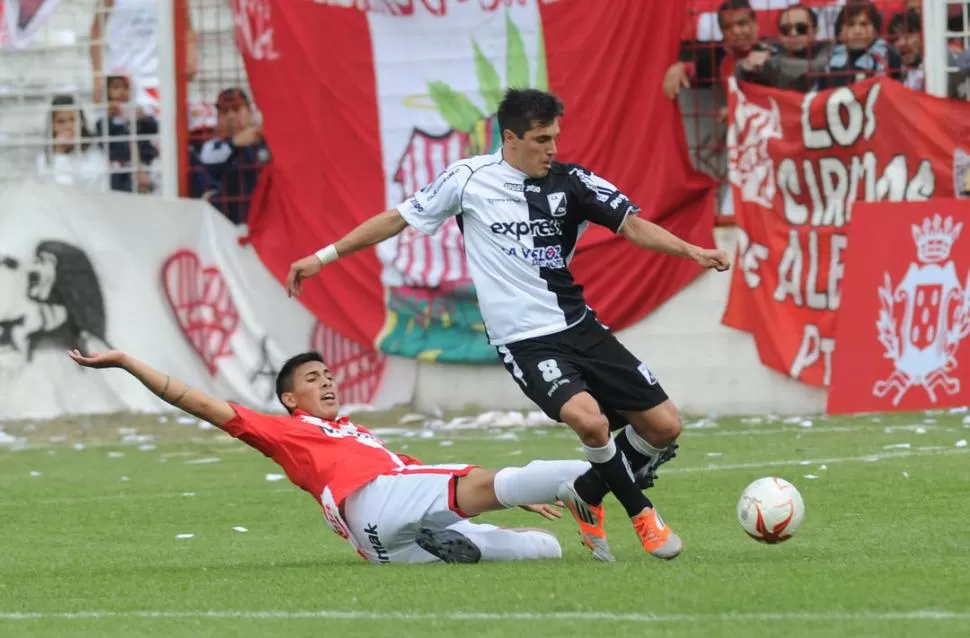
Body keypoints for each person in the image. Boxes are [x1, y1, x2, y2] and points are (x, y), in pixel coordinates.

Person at [285, 88, 732, 563]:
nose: (552, 148)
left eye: (556, 137)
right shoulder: (468, 179)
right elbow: (397, 219)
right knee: (590, 421)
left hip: (579, 325)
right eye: (541, 139)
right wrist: (322, 256)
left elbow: (632, 224)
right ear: (511, 138)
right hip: (524, 342)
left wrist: (692, 250)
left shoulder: (572, 182)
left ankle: (587, 490)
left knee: (664, 426)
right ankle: (643, 515)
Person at [68, 348, 594, 564]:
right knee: (507, 480)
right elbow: (198, 402)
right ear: (290, 399)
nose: (327, 382)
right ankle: (594, 477)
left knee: (545, 549)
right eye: (313, 379)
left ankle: (459, 533)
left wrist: (504, 498)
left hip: (376, 545)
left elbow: (411, 469)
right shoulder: (284, 430)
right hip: (371, 500)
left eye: (328, 375)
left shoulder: (357, 434)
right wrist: (125, 362)